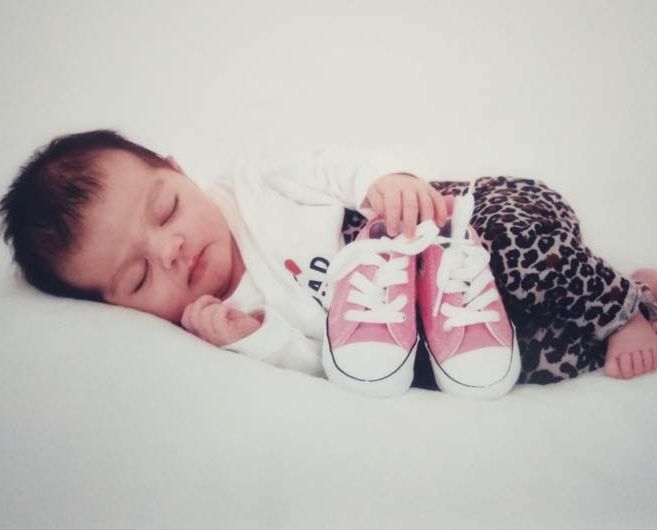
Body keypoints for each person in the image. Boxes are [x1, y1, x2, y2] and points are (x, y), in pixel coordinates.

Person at [1, 129, 656, 393]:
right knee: (502, 366)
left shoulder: (254, 185)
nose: (169, 249)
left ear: (177, 170)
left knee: (516, 250)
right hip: (442, 326)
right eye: (139, 277)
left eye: (166, 208)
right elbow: (327, 362)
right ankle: (624, 313)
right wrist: (257, 341)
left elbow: (334, 167)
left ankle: (617, 307)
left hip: (452, 228)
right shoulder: (217, 324)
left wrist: (386, 181)